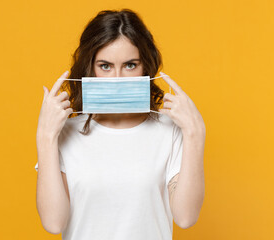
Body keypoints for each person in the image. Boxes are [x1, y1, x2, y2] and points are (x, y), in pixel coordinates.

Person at [35, 9, 206, 240]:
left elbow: (186, 217)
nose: (117, 78)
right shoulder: (64, 133)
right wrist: (45, 136)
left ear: (145, 66)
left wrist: (195, 133)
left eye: (130, 65)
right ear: (90, 69)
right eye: (105, 66)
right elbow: (54, 223)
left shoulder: (169, 131)